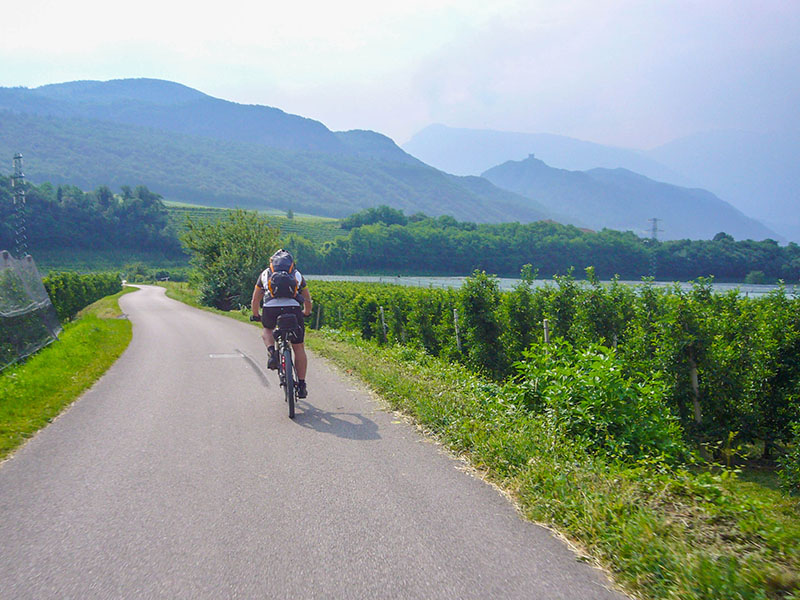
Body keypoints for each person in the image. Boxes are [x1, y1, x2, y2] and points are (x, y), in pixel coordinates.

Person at [251, 249, 313, 398]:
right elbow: (307, 299)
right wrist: (306, 312)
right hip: (293, 309)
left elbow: (255, 300)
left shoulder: (265, 274)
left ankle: (273, 353)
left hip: (270, 309)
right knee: (298, 347)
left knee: (267, 329)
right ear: (291, 263)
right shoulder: (297, 274)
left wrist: (255, 315)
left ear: (272, 262)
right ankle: (302, 385)